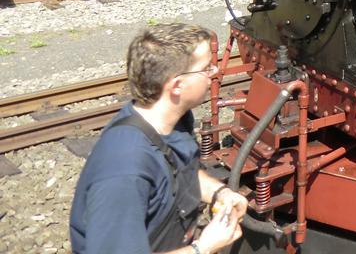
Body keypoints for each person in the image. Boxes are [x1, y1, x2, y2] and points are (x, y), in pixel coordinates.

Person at [70, 23, 248, 254]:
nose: (213, 73)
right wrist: (202, 248)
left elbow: (183, 172)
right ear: (176, 86)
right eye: (206, 68)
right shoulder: (125, 170)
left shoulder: (174, 121)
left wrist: (219, 193)